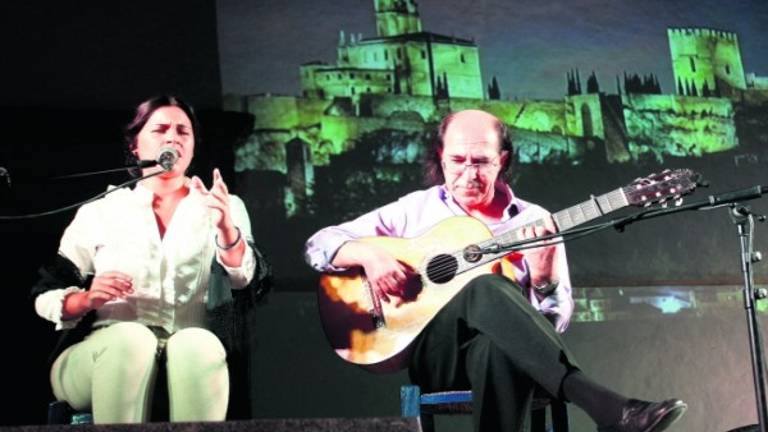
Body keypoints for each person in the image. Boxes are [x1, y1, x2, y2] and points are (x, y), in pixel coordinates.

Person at [304, 109, 687, 432]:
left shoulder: (538, 222)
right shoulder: (415, 209)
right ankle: (602, 403)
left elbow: (550, 329)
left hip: (513, 357)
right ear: (441, 158)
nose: (468, 174)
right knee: (485, 284)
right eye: (457, 161)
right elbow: (318, 244)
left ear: (501, 160)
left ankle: (611, 410)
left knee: (497, 347)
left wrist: (543, 279)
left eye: (481, 162)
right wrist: (370, 257)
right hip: (435, 355)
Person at [32, 95, 270, 423]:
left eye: (182, 132)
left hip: (188, 353)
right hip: (99, 353)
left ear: (192, 146)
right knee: (131, 339)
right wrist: (85, 299)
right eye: (160, 129)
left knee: (199, 343)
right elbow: (47, 291)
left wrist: (226, 229)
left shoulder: (223, 205)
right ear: (135, 146)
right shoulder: (102, 210)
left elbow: (249, 282)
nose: (172, 137)